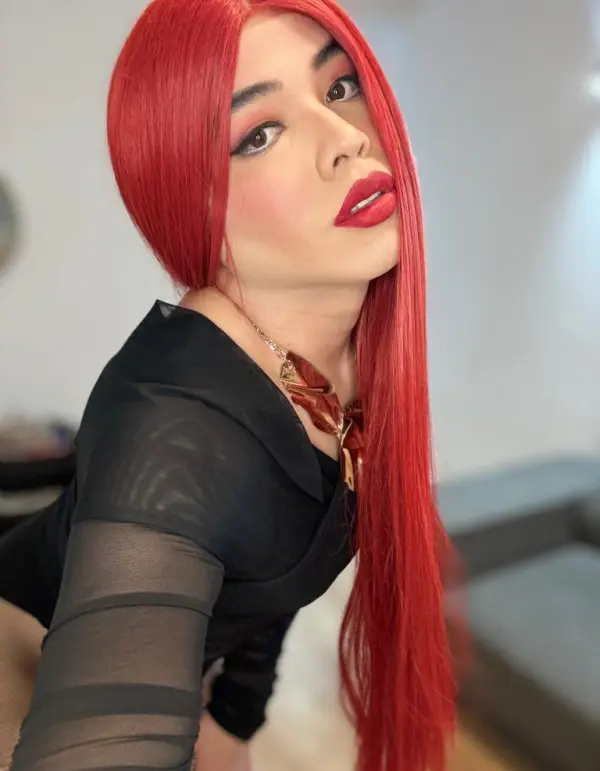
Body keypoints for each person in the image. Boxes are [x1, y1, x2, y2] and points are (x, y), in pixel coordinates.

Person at [0, 0, 460, 769]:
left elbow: (274, 569)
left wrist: (236, 716)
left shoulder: (337, 357)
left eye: (340, 87)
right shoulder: (177, 429)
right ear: (193, 198)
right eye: (260, 134)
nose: (345, 139)